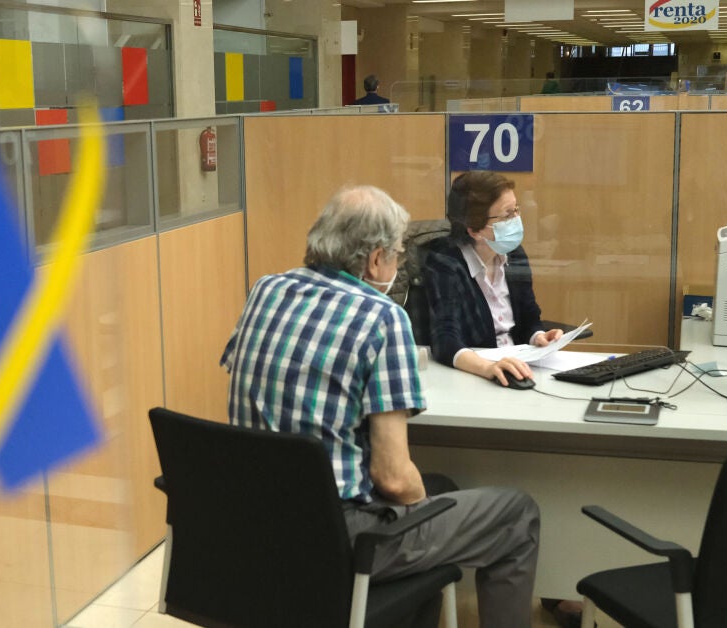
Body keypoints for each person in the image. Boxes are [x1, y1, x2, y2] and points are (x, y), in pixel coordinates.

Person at [221, 186, 540, 628]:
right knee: (516, 514)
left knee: (442, 487)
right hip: (337, 536)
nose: (398, 265)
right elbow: (393, 478)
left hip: (256, 522)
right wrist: (419, 512)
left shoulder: (266, 290)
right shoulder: (381, 317)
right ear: (375, 260)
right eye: (397, 256)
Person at [422, 172, 563, 388]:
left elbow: (529, 317)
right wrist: (488, 368)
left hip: (520, 368)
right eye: (507, 215)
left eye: (516, 210)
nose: (516, 219)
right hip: (471, 379)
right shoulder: (445, 263)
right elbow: (445, 340)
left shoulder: (514, 255)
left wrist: (538, 336)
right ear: (475, 230)